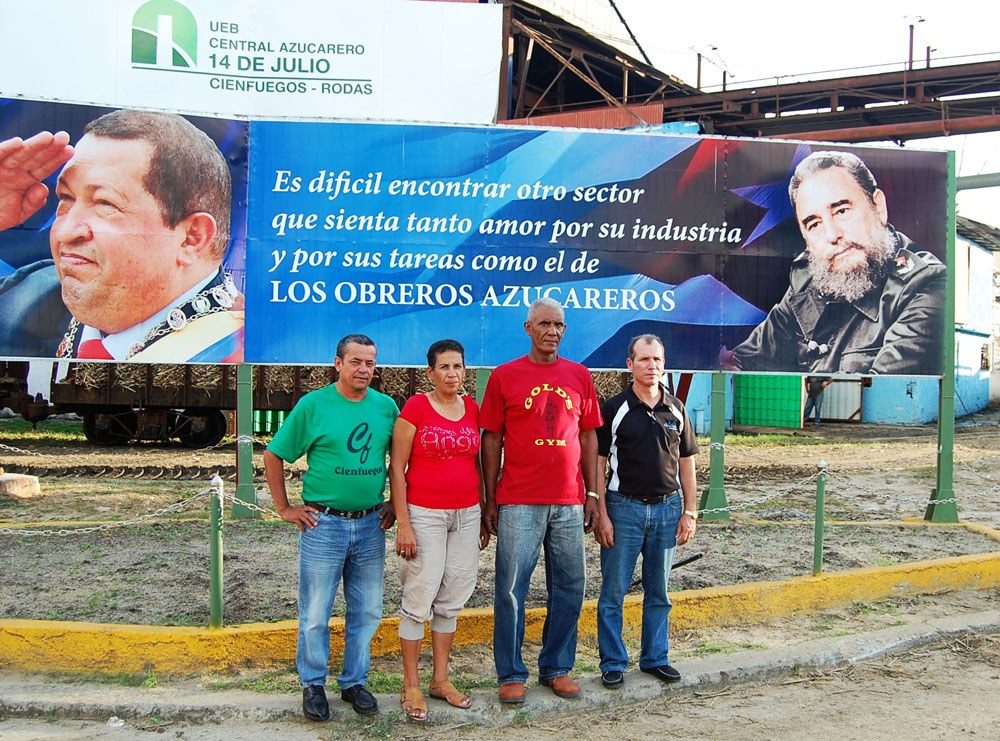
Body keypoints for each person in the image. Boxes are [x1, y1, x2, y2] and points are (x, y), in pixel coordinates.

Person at [0, 109, 241, 361]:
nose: (66, 231)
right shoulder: (24, 297)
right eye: (66, 198)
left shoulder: (253, 354)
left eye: (105, 203)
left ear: (193, 238)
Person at [263, 334, 398, 721]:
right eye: (355, 362)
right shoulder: (314, 405)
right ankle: (313, 684)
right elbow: (275, 455)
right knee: (316, 612)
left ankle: (355, 681)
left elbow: (399, 461)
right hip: (324, 525)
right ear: (337, 363)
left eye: (370, 363)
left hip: (371, 525)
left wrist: (391, 502)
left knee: (368, 611)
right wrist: (284, 507)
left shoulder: (386, 407)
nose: (364, 370)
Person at [721, 150, 946, 375]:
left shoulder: (927, 285)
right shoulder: (809, 281)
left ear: (878, 207)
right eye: (814, 224)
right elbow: (742, 364)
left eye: (841, 210)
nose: (832, 234)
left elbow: (873, 399)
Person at [480, 297, 603, 705]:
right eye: (545, 324)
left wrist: (591, 493)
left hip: (569, 502)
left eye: (559, 325)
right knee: (511, 589)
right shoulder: (504, 376)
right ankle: (512, 672)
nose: (553, 331)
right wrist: (490, 497)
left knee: (570, 586)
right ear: (528, 328)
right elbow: (492, 438)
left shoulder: (580, 376)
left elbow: (589, 436)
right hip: (518, 500)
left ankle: (557, 667)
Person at [389, 338, 488, 722]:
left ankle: (440, 680)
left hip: (465, 514)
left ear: (465, 372)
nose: (452, 374)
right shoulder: (416, 407)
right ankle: (411, 684)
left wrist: (481, 510)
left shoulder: (472, 409)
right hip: (425, 514)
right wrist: (405, 524)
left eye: (458, 367)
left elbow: (478, 462)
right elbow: (397, 467)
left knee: (453, 594)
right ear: (430, 372)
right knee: (420, 595)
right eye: (444, 367)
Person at [593, 334, 699, 689]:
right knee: (613, 592)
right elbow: (599, 459)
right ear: (630, 365)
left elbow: (687, 463)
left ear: (663, 364)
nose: (651, 366)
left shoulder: (677, 409)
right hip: (623, 510)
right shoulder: (614, 409)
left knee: (659, 591)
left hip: (668, 510)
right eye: (644, 360)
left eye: (657, 360)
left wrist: (691, 511)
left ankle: (655, 657)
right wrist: (601, 511)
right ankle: (612, 663)